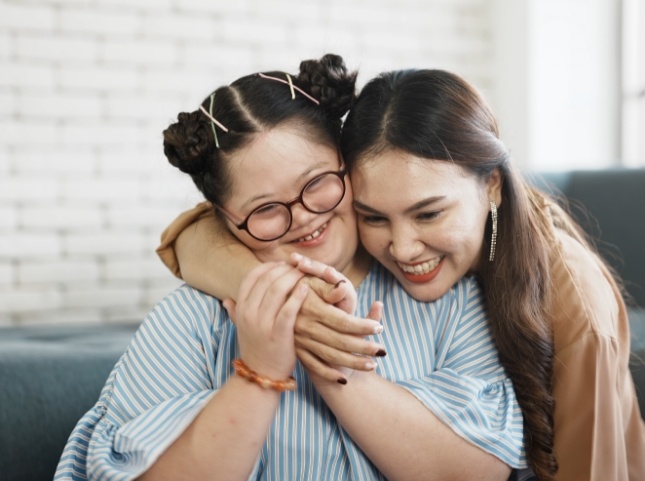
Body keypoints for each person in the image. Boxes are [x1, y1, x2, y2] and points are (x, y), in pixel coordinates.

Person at [157, 66, 645, 480]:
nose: (404, 248)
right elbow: (192, 235)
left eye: (429, 214)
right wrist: (297, 309)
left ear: (491, 185)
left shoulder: (575, 307)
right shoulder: (309, 238)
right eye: (373, 216)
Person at [54, 55, 528, 481]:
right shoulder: (193, 320)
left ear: (348, 165)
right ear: (224, 222)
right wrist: (257, 374)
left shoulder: (450, 299)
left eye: (318, 183)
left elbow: (476, 471)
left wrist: (332, 362)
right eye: (265, 209)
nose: (302, 217)